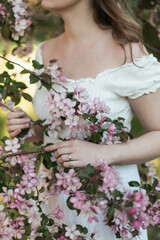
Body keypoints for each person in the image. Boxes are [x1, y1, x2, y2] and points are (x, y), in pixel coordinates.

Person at [6, 0, 160, 239]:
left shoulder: (127, 50)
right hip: (54, 203)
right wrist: (32, 129)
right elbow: (56, 130)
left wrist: (102, 154)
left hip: (110, 208)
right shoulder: (46, 51)